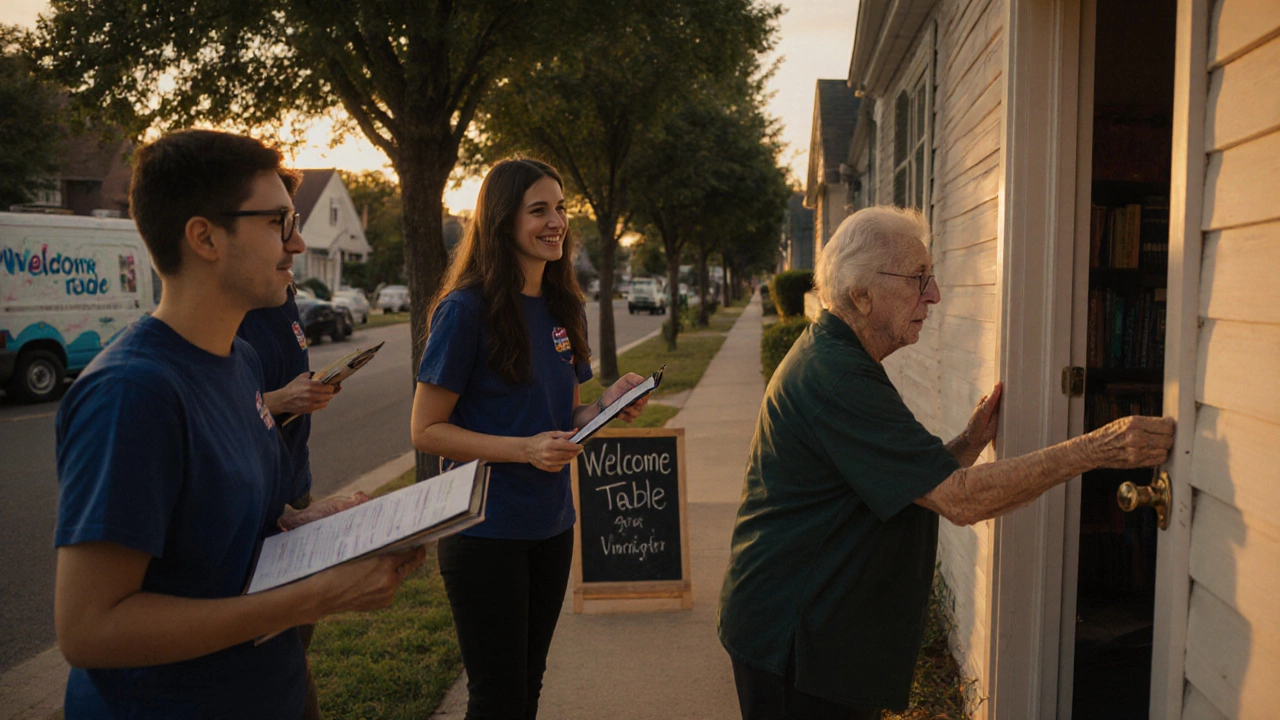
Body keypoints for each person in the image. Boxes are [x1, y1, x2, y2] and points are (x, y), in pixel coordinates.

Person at [717, 206, 1174, 720]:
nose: (932, 295)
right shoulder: (840, 378)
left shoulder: (840, 357)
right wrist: (1095, 448)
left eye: (929, 278)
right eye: (918, 279)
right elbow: (957, 498)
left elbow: (915, 481)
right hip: (793, 639)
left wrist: (969, 440)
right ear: (861, 294)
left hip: (809, 631)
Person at [53, 129, 424, 719]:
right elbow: (90, 630)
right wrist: (313, 598)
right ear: (204, 237)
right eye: (278, 221)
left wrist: (317, 523)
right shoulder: (132, 393)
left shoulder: (241, 360)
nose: (298, 242)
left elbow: (245, 527)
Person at [410, 158, 650, 720]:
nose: (556, 222)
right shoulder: (465, 310)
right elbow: (426, 430)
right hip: (484, 530)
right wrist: (525, 449)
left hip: (551, 524)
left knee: (528, 690)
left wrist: (607, 404)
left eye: (561, 208)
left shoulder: (563, 305)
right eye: (538, 209)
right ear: (501, 220)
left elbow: (564, 416)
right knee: (497, 700)